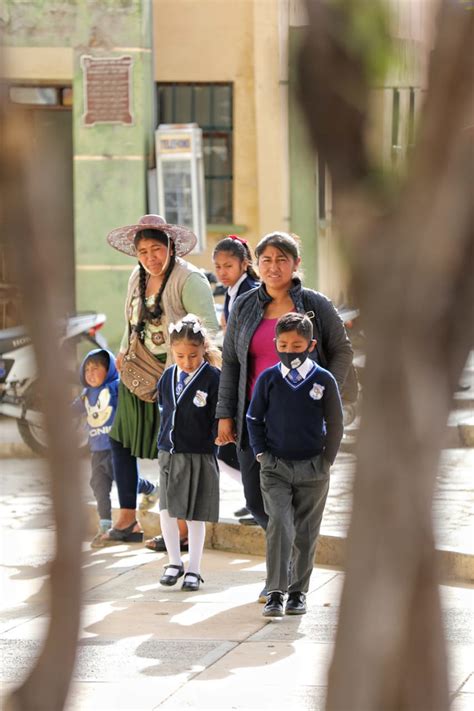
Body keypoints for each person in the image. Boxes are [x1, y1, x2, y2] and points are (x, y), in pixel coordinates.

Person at [215, 231, 353, 600]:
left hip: (303, 423)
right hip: (254, 420)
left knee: (295, 507)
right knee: (258, 500)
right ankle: (288, 559)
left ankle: (282, 578)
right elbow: (230, 362)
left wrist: (326, 395)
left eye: (281, 259)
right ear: (255, 265)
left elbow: (341, 351)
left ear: (295, 264)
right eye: (266, 260)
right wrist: (224, 414)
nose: (273, 267)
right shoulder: (244, 306)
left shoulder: (315, 305)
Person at [103, 214, 219, 544]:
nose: (150, 257)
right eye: (143, 251)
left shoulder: (189, 279)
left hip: (176, 377)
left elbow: (209, 332)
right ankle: (127, 520)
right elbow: (130, 318)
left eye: (157, 249)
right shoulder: (136, 277)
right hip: (137, 372)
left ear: (170, 246)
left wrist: (194, 376)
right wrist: (123, 350)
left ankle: (182, 532)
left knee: (175, 452)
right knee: (120, 440)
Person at [246, 313, 343, 616]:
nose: (290, 351)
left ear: (310, 345)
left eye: (297, 345)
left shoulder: (323, 380)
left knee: (306, 532)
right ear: (276, 344)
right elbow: (253, 419)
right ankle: (275, 591)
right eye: (284, 344)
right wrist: (262, 454)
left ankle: (298, 592)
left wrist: (326, 460)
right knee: (280, 526)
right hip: (275, 468)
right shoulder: (269, 378)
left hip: (313, 468)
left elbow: (336, 422)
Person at [157, 315, 221, 592]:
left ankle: (194, 568)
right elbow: (164, 410)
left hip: (198, 453)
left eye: (192, 355)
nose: (186, 362)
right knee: (167, 510)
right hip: (168, 452)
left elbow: (218, 417)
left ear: (203, 349)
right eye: (180, 356)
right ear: (172, 352)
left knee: (195, 513)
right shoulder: (168, 376)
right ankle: (173, 562)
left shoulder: (213, 378)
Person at [212, 235, 260, 520]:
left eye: (228, 265)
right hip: (236, 374)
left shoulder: (250, 292)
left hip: (250, 378)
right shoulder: (232, 292)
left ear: (245, 263)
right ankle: (252, 497)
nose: (221, 272)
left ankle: (259, 502)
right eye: (217, 266)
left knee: (249, 445)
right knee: (239, 446)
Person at [71, 348, 120, 547]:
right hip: (97, 450)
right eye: (87, 370)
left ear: (108, 369)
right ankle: (105, 525)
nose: (90, 373)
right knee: (99, 486)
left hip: (116, 448)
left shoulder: (115, 387)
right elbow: (74, 408)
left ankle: (149, 489)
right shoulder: (86, 394)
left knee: (125, 480)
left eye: (95, 368)